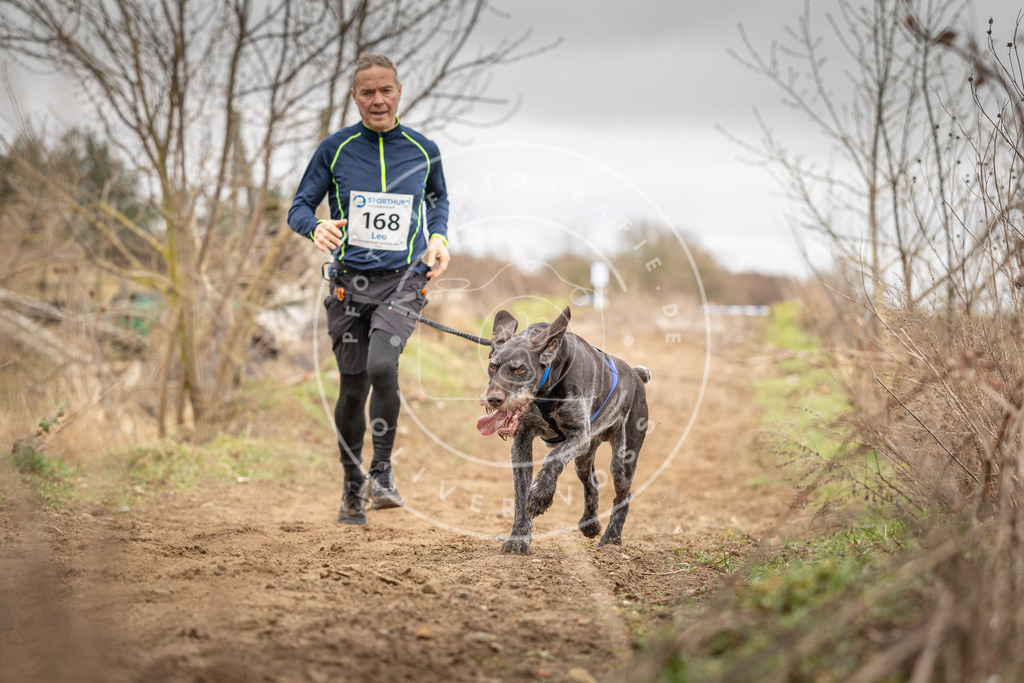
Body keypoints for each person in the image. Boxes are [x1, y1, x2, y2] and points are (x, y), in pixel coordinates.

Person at [288, 54, 450, 525]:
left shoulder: (423, 149)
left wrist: (438, 237)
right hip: (348, 288)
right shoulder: (335, 149)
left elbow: (438, 199)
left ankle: (382, 473)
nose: (378, 100)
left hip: (403, 282)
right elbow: (300, 205)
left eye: (386, 90)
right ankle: (351, 486)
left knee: (383, 365)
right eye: (367, 92)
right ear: (354, 97)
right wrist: (314, 228)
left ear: (399, 92)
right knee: (354, 386)